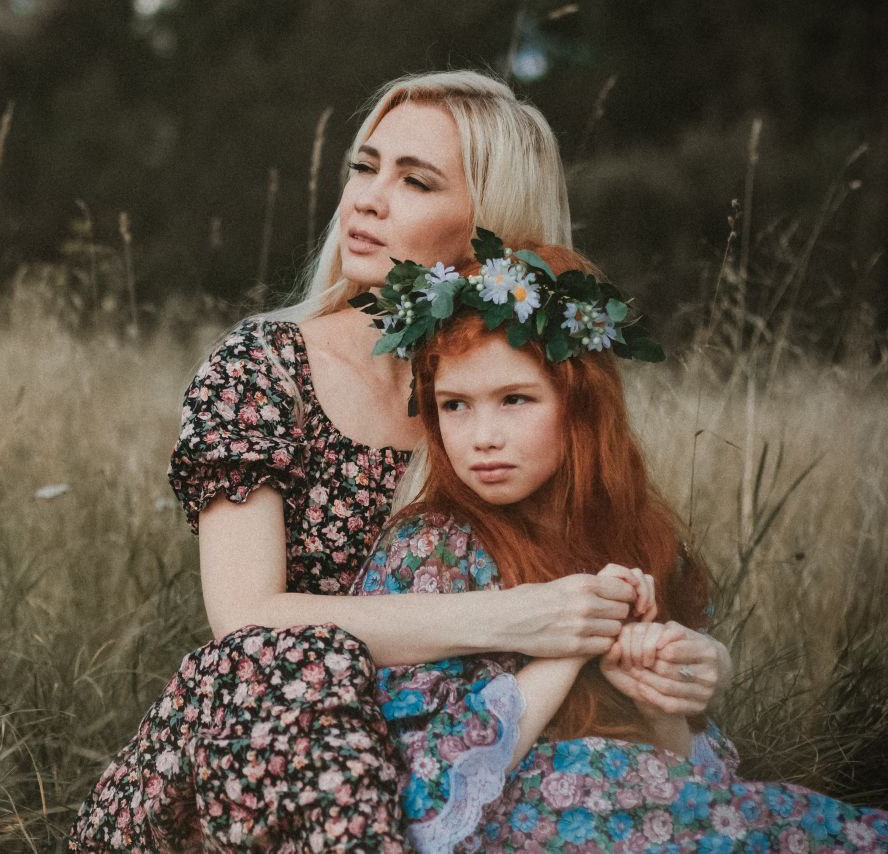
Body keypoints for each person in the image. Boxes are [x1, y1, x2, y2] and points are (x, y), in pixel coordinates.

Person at [69, 70, 730, 850]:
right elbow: (246, 622)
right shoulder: (264, 368)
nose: (367, 200)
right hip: (276, 740)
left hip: (464, 745)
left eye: (415, 182)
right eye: (365, 167)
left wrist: (689, 660)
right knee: (295, 661)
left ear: (488, 224)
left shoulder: (499, 399)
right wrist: (520, 617)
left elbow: (594, 556)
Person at [347, 239, 888, 852]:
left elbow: (693, 779)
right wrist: (573, 639)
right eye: (455, 405)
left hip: (651, 806)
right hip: (523, 826)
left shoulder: (640, 537)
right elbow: (421, 797)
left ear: (579, 404)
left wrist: (658, 692)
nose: (483, 437)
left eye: (515, 399)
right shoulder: (430, 547)